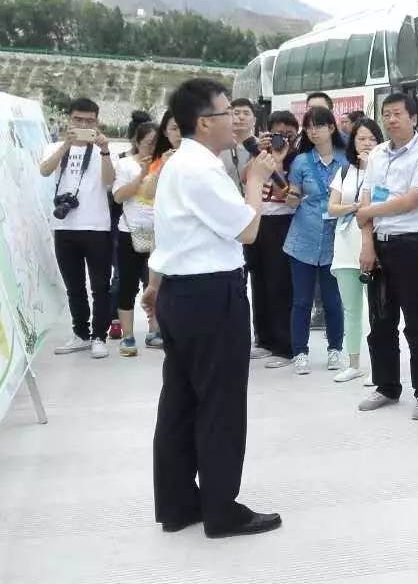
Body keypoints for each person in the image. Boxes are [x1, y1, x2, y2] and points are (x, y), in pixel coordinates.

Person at [143, 77, 282, 539]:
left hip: (183, 294)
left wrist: (156, 283)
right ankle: (221, 508)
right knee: (219, 403)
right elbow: (246, 230)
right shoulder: (200, 169)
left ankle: (179, 503)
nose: (237, 120)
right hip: (209, 296)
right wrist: (257, 181)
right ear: (205, 122)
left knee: (180, 402)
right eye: (227, 113)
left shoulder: (181, 163)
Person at [356, 93, 418, 420]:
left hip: (411, 246)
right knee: (380, 319)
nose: (390, 120)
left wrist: (367, 211)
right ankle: (386, 385)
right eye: (386, 114)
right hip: (378, 243)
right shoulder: (377, 154)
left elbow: (411, 201)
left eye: (397, 114)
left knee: (417, 321)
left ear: (414, 118)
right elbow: (365, 200)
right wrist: (367, 243)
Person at [39, 97, 117, 358]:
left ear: (97, 122)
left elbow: (109, 182)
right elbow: (44, 171)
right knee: (74, 286)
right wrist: (66, 146)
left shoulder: (104, 150)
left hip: (97, 227)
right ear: (69, 120)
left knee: (99, 286)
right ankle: (81, 334)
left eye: (89, 121)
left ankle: (99, 337)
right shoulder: (54, 147)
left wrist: (105, 151)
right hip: (64, 227)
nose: (83, 124)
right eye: (78, 120)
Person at [273, 106, 345, 375]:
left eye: (319, 125)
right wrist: (291, 196)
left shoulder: (345, 162)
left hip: (334, 240)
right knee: (301, 301)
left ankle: (335, 350)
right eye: (310, 126)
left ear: (331, 128)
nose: (314, 131)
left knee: (332, 301)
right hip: (303, 238)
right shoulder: (301, 162)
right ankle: (300, 352)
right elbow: (293, 195)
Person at [327, 117, 384, 383]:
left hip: (372, 246)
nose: (367, 143)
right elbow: (332, 207)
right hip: (345, 245)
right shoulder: (344, 171)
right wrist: (355, 208)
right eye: (361, 138)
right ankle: (353, 363)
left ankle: (380, 367)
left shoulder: (384, 171)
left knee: (377, 310)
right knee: (351, 308)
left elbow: (382, 205)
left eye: (372, 138)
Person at [244, 110, 299, 365]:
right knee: (259, 281)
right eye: (277, 133)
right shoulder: (260, 154)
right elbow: (246, 177)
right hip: (258, 220)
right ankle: (263, 338)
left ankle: (284, 345)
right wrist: (259, 152)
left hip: (282, 221)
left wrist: (279, 160)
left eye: (288, 132)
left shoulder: (296, 159)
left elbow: (287, 193)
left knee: (279, 283)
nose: (282, 138)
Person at [110, 121, 159, 357]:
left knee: (156, 284)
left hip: (160, 233)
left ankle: (155, 330)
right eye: (148, 142)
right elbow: (119, 197)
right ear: (137, 141)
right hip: (130, 232)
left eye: (156, 143)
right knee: (127, 284)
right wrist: (141, 174)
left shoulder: (166, 163)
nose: (152, 147)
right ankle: (128, 336)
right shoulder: (126, 164)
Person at [139, 109, 182, 350]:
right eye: (174, 128)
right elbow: (146, 192)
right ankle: (158, 327)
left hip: (190, 236)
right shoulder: (161, 159)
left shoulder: (204, 159)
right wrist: (164, 165)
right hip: (165, 233)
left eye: (182, 128)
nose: (179, 134)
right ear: (165, 131)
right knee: (160, 282)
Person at [220, 98, 257, 192]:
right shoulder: (219, 147)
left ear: (254, 120)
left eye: (246, 113)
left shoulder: (262, 146)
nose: (241, 117)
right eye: (236, 113)